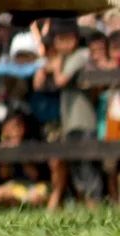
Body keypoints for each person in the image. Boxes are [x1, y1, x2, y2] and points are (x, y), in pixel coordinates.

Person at [37, 18, 104, 208]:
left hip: (84, 121)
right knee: (76, 168)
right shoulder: (64, 59)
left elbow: (60, 80)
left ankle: (95, 206)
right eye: (59, 39)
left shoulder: (81, 55)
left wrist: (54, 66)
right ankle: (86, 206)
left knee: (88, 167)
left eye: (66, 38)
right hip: (69, 122)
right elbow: (38, 82)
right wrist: (44, 69)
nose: (62, 43)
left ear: (75, 39)